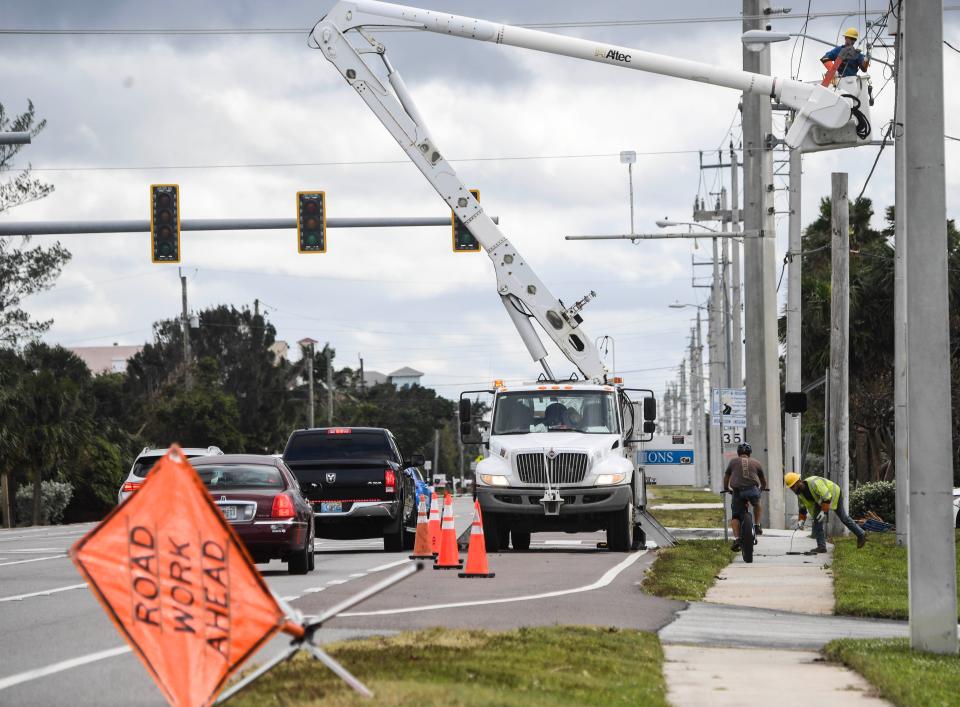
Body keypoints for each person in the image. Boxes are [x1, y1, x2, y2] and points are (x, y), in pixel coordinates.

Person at [784, 472, 867, 554]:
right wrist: (801, 520)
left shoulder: (814, 483)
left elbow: (827, 497)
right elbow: (802, 509)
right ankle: (821, 547)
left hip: (833, 494)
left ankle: (861, 534)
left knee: (843, 517)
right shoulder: (800, 494)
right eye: (791, 488)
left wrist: (824, 512)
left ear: (799, 481)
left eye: (793, 486)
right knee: (817, 521)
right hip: (820, 501)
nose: (793, 489)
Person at [723, 442, 768, 552]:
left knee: (736, 516)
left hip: (737, 491)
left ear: (738, 453)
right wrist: (762, 488)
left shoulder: (733, 461)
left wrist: (726, 488)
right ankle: (757, 525)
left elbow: (727, 477)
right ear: (750, 453)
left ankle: (737, 539)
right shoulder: (756, 462)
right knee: (757, 503)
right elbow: (763, 480)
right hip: (752, 489)